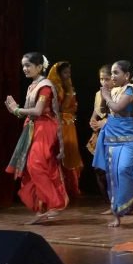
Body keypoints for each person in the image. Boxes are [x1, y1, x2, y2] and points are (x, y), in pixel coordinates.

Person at [5, 52, 68, 224]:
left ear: (39, 67)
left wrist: (16, 110)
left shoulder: (45, 86)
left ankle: (55, 203)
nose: (24, 69)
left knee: (36, 165)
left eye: (28, 65)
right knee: (31, 167)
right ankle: (42, 209)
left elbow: (38, 111)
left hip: (45, 128)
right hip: (33, 127)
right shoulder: (33, 86)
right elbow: (30, 112)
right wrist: (17, 110)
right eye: (23, 66)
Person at [97, 60, 133, 226]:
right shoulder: (114, 90)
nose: (112, 76)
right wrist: (104, 96)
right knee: (113, 176)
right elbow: (103, 111)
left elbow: (117, 107)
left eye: (116, 73)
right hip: (111, 139)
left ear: (127, 75)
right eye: (112, 73)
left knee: (123, 169)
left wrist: (106, 95)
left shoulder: (132, 89)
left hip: (128, 139)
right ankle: (117, 213)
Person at [47, 61, 82, 199]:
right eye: (65, 72)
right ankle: (56, 191)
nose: (68, 75)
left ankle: (69, 189)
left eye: (69, 73)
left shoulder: (68, 87)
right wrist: (68, 94)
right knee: (57, 154)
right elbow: (57, 108)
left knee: (70, 153)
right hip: (56, 124)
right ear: (58, 74)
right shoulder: (53, 88)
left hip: (68, 125)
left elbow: (73, 107)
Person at [87, 65, 112, 208]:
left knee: (110, 168)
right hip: (100, 133)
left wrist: (105, 122)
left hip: (113, 133)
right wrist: (93, 120)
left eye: (107, 79)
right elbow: (96, 111)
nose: (104, 82)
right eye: (101, 79)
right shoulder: (99, 93)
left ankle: (116, 201)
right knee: (99, 168)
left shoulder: (117, 93)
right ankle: (108, 201)